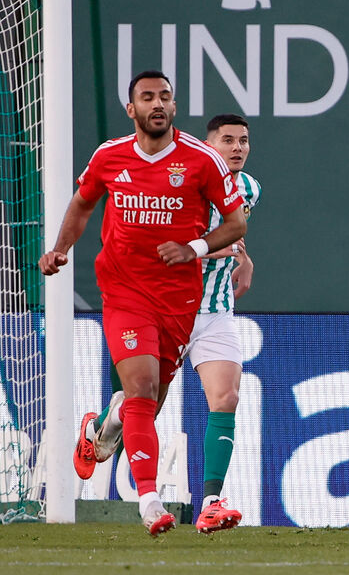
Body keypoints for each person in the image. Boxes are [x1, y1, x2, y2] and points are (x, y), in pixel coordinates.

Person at [42, 71, 246, 536]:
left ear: (174, 108)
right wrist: (61, 249)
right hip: (123, 292)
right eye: (147, 97)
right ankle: (150, 501)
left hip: (180, 300)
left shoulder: (200, 161)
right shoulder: (109, 156)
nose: (158, 103)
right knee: (141, 386)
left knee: (147, 401)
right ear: (131, 110)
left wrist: (193, 248)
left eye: (166, 97)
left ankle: (102, 428)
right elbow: (82, 203)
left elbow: (235, 224)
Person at [80, 114, 261, 534]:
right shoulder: (175, 179)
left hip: (213, 311)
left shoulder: (249, 188)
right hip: (161, 309)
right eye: (228, 141)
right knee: (143, 407)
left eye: (244, 141)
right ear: (206, 146)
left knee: (227, 396)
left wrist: (244, 259)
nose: (237, 148)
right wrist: (210, 250)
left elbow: (231, 236)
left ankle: (211, 503)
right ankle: (100, 429)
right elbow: (175, 241)